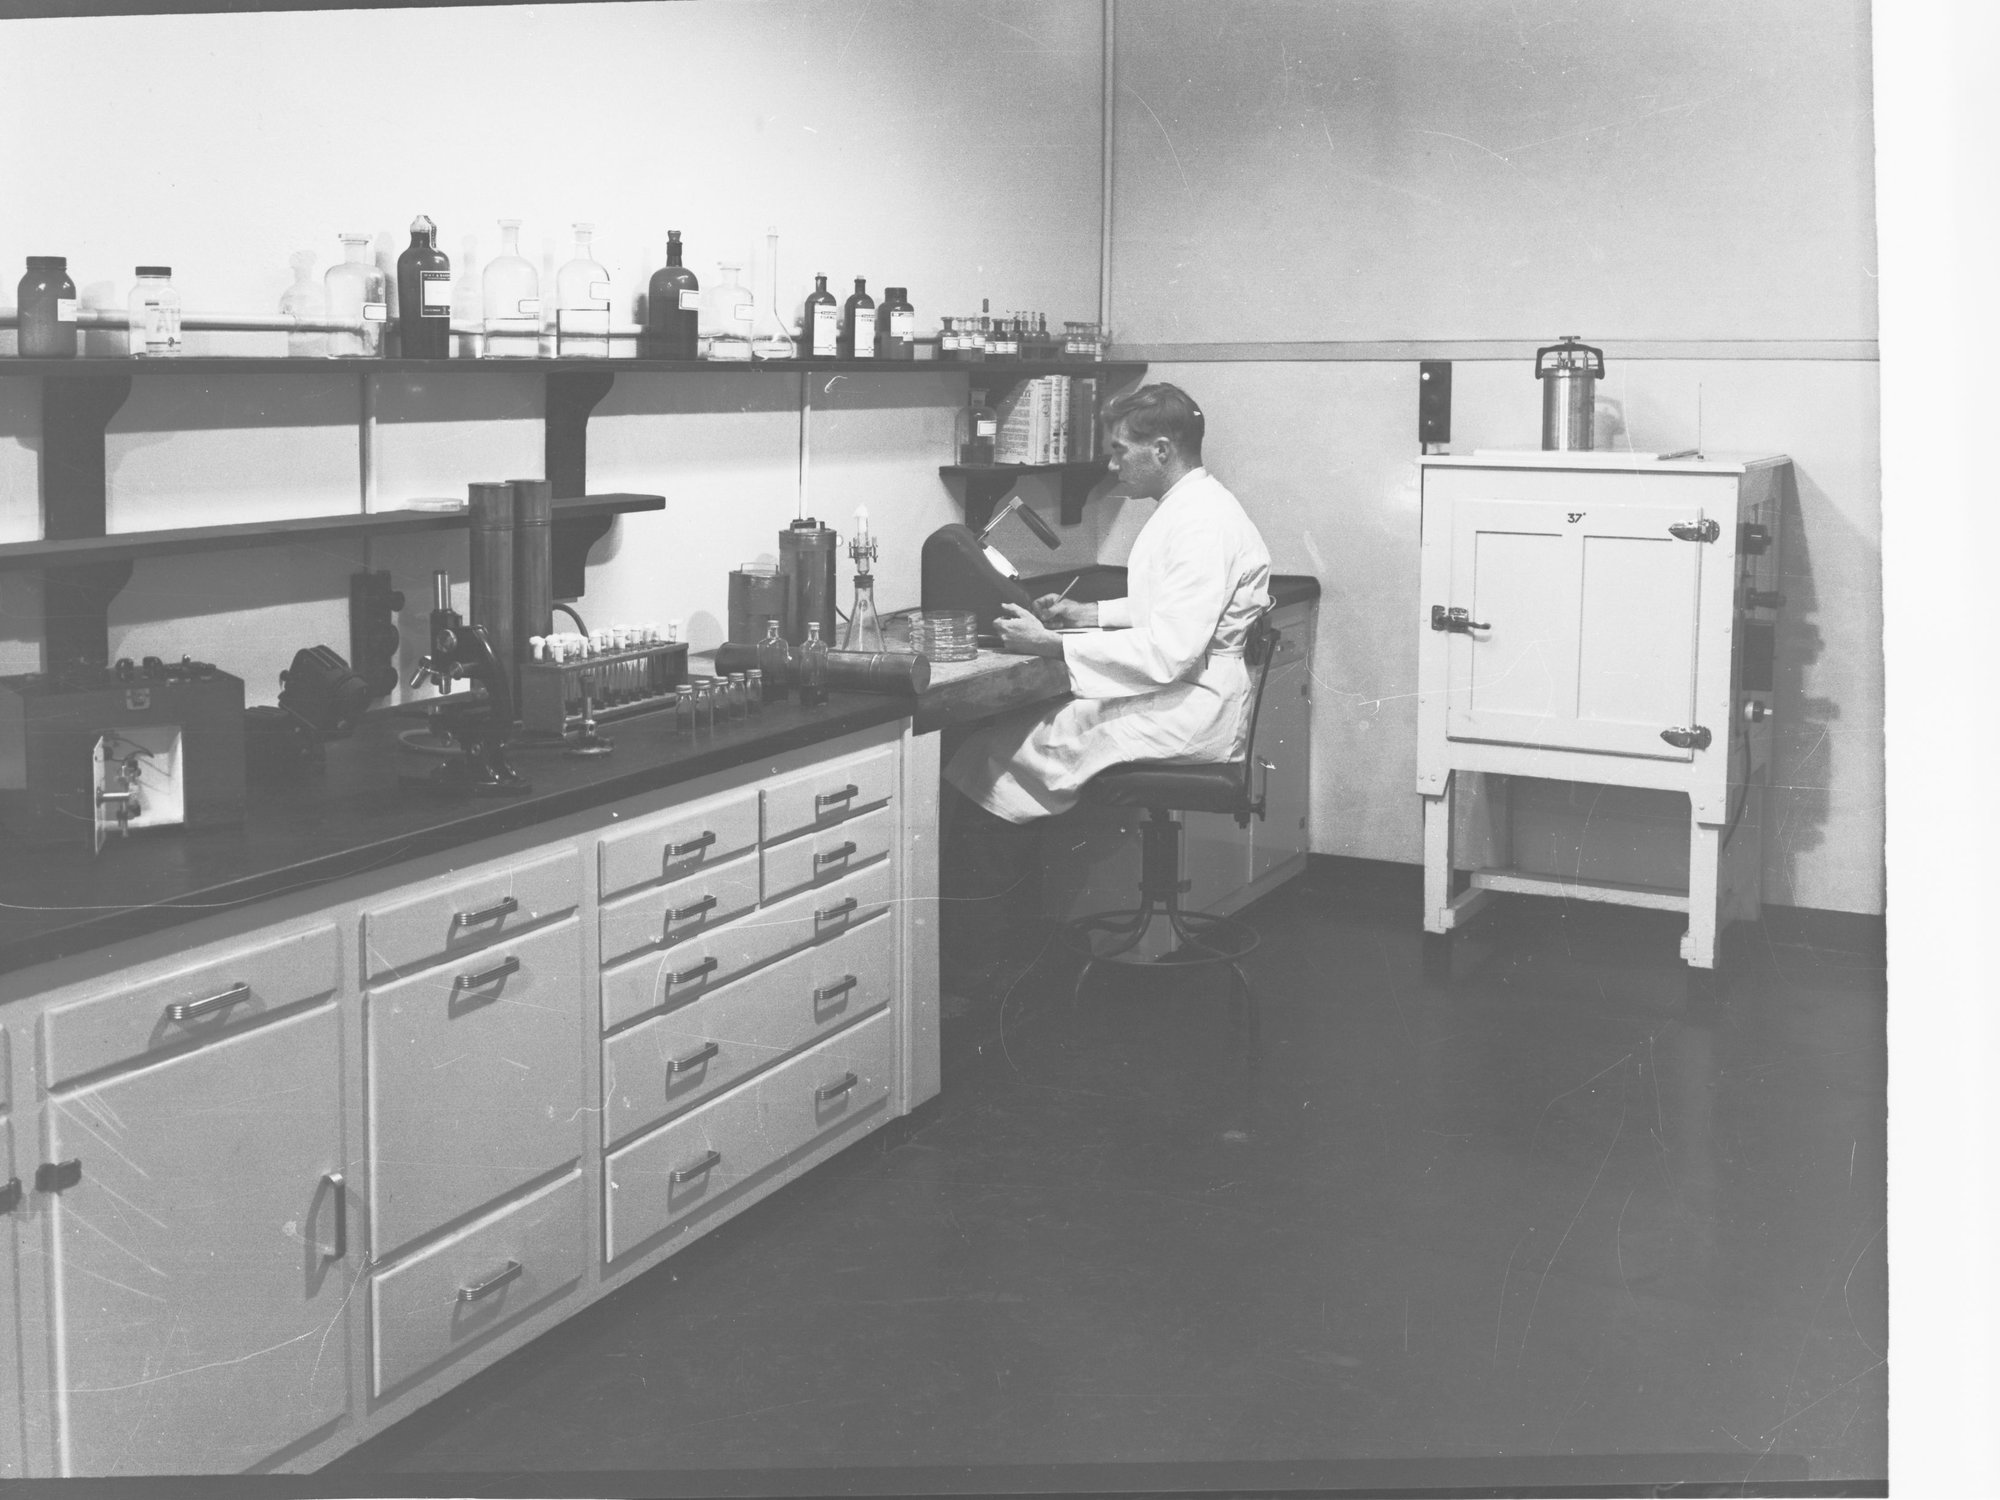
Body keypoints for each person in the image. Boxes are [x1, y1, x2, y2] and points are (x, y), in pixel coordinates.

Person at [939, 382, 1273, 987]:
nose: (1113, 466)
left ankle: (981, 971)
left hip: (1188, 705)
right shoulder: (1193, 507)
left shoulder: (1201, 523)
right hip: (1187, 691)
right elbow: (1164, 606)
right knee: (1004, 747)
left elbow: (1171, 650)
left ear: (1163, 449)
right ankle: (1012, 949)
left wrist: (1054, 645)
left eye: (1122, 452)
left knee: (989, 760)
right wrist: (1088, 616)